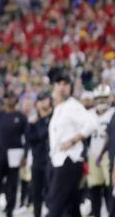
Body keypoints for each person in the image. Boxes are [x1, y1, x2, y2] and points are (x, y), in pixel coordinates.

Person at [47, 72, 99, 217]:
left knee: (55, 204)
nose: (62, 87)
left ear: (70, 88)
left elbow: (92, 123)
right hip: (58, 160)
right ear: (54, 87)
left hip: (69, 160)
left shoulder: (72, 106)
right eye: (59, 84)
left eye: (65, 84)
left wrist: (73, 140)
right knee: (71, 205)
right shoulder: (59, 108)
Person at [0, 92, 27, 217]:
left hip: (15, 156)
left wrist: (25, 155)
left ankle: (9, 212)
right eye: (7, 98)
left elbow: (26, 138)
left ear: (15, 99)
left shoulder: (20, 116)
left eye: (11, 97)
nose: (9, 100)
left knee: (12, 185)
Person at [86, 87, 112, 217]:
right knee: (94, 187)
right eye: (99, 98)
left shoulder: (113, 112)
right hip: (93, 153)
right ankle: (96, 213)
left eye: (104, 97)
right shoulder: (89, 113)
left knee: (109, 187)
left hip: (108, 155)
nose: (101, 100)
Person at [26, 92, 53, 217]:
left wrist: (41, 121)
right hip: (38, 161)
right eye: (40, 100)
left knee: (51, 192)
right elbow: (31, 139)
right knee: (36, 193)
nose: (42, 103)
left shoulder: (54, 117)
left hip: (52, 161)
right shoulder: (33, 120)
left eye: (45, 100)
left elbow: (43, 135)